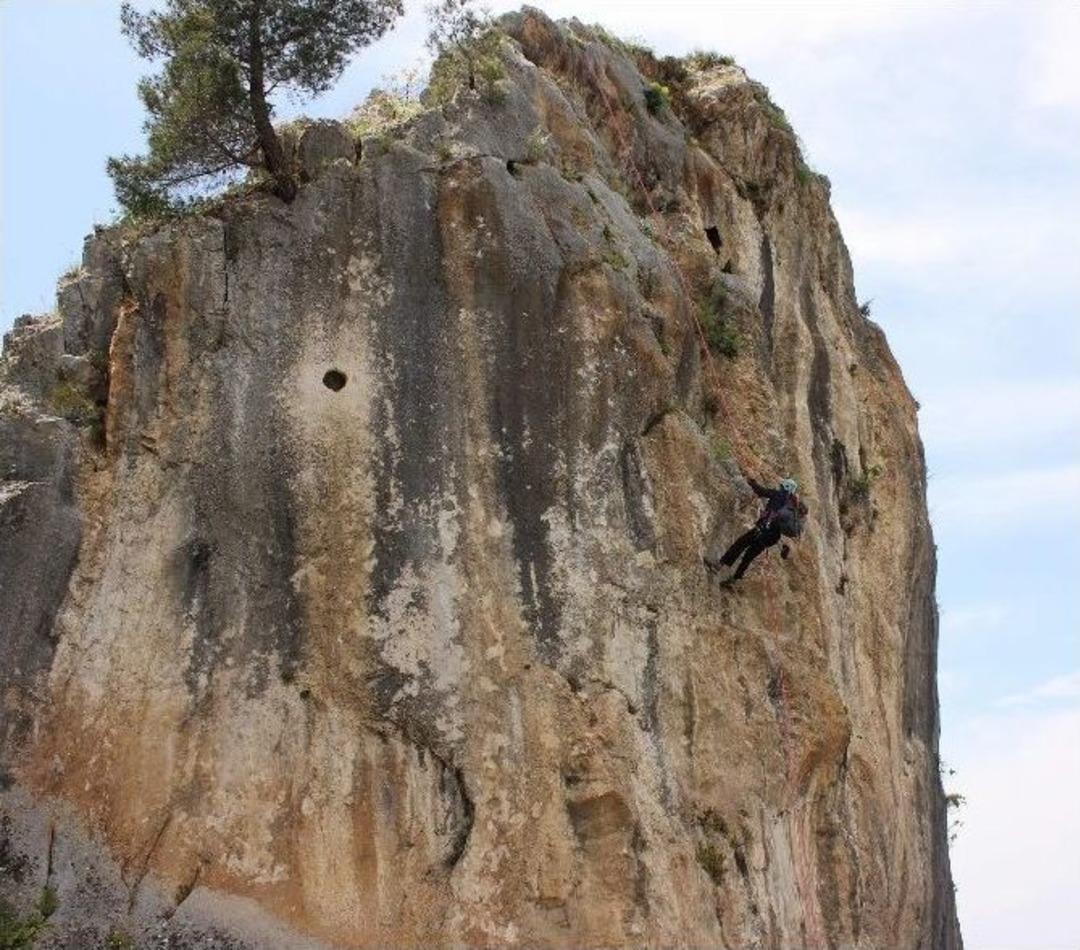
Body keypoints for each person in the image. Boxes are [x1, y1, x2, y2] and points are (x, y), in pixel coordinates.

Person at [706, 476, 804, 584]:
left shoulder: (777, 494)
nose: (780, 486)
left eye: (781, 485)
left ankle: (718, 566)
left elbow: (761, 491)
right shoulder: (790, 505)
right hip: (772, 538)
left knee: (740, 544)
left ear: (785, 487)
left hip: (763, 529)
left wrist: (752, 482)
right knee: (749, 556)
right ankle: (736, 579)